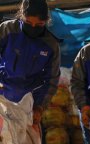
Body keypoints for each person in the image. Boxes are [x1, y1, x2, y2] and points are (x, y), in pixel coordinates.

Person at [0, 0, 60, 132]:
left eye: (39, 24)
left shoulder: (51, 45)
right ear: (21, 16)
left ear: (46, 21)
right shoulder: (6, 30)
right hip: (2, 96)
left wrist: (40, 106)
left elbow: (52, 80)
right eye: (28, 23)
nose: (33, 27)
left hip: (28, 105)